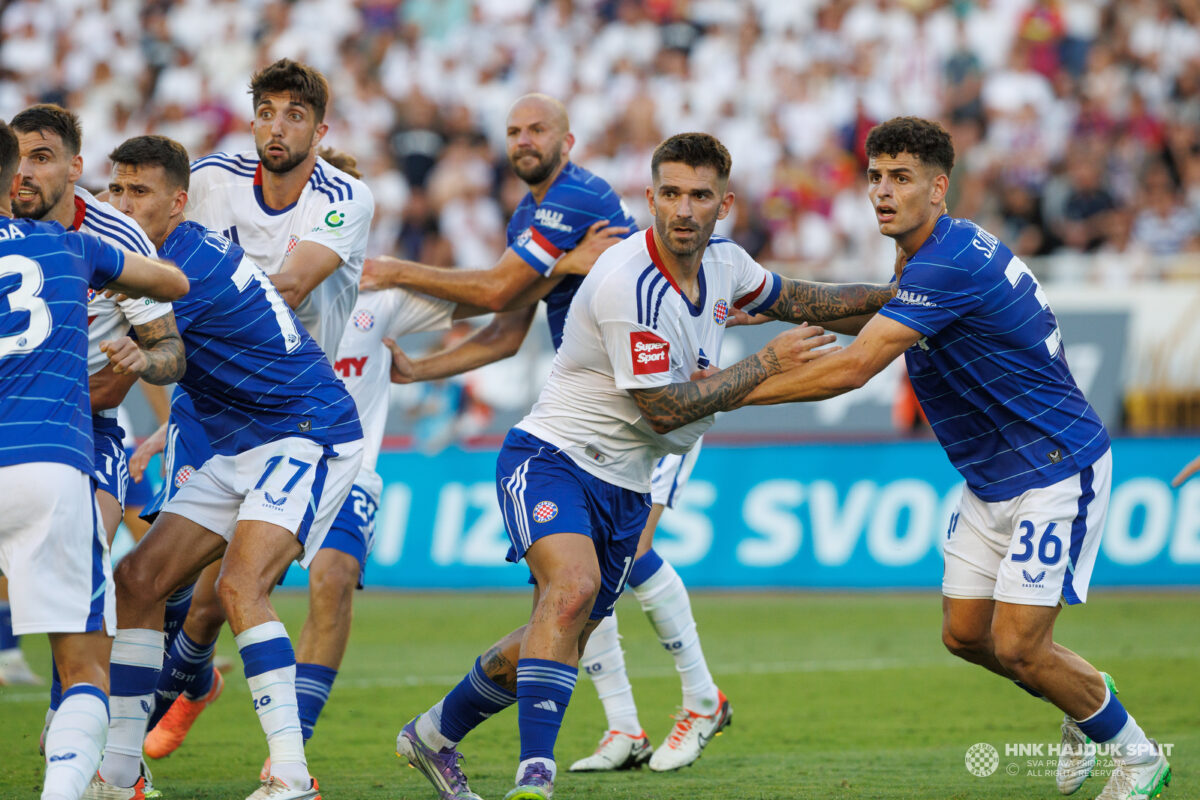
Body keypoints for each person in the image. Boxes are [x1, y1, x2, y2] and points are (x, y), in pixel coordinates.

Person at [392, 131, 894, 800]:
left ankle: (431, 734)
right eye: (671, 193)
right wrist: (764, 364)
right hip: (553, 457)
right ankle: (535, 779)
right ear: (650, 198)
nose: (684, 210)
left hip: (627, 485)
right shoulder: (629, 281)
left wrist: (905, 294)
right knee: (572, 590)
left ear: (724, 204)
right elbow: (663, 410)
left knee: (561, 630)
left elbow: (804, 299)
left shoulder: (726, 263)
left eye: (700, 196)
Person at [740, 116, 1171, 800]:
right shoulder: (930, 256)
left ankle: (1138, 756)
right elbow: (881, 316)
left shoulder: (947, 262)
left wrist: (726, 391)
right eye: (876, 177)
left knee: (1021, 646)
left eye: (901, 178)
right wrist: (778, 303)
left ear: (939, 188)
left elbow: (854, 367)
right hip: (991, 476)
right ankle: (1084, 692)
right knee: (966, 636)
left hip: (1054, 466)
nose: (883, 191)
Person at [370, 93, 729, 772]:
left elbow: (496, 289)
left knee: (622, 559)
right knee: (570, 588)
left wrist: (392, 269)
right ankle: (622, 727)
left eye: (537, 129)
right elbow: (507, 331)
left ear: (568, 141)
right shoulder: (530, 214)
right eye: (513, 130)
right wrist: (422, 369)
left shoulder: (576, 197)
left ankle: (702, 697)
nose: (524, 140)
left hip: (655, 398)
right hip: (596, 412)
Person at [85, 134, 364, 800]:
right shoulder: (157, 257)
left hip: (305, 430)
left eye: (140, 191)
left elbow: (125, 379)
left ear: (177, 203)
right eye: (116, 188)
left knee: (240, 586)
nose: (123, 203)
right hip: (236, 441)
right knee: (138, 581)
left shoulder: (177, 272)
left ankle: (291, 774)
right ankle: (121, 773)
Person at [138, 59, 377, 764]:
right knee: (163, 583)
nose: (277, 127)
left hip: (293, 412)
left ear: (320, 130)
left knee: (234, 588)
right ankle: (152, 712)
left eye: (295, 115)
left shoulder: (344, 196)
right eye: (267, 112)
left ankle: (205, 710)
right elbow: (149, 247)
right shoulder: (210, 179)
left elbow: (289, 289)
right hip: (207, 406)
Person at [0, 119, 189, 800]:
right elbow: (176, 283)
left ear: (75, 168)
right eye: (19, 159)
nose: (28, 172)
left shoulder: (115, 233)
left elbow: (170, 351)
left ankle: (92, 744)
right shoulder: (81, 249)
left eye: (43, 158)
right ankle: (84, 736)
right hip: (42, 443)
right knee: (69, 579)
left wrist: (138, 363)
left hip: (89, 431)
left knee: (93, 553)